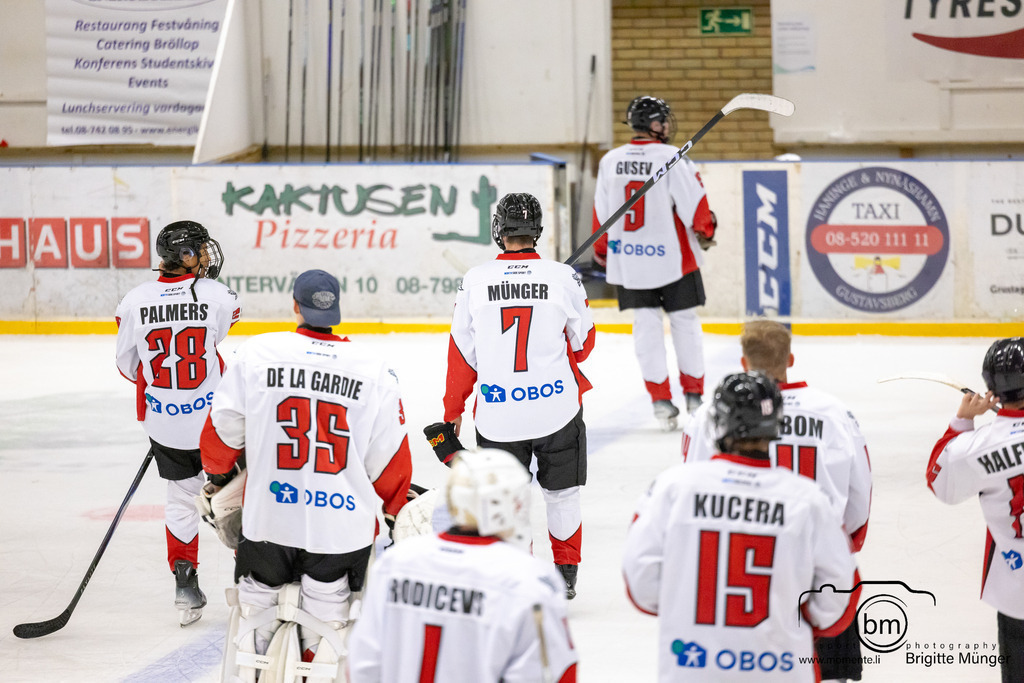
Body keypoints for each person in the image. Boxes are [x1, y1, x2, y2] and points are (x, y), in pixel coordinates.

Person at [200, 269, 413, 680]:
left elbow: (219, 439)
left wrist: (222, 477)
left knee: (257, 603)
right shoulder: (374, 370)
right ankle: (317, 656)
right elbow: (390, 465)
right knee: (328, 611)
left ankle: (253, 659)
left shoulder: (257, 354)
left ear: (294, 305)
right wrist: (393, 510)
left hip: (268, 521)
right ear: (336, 311)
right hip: (341, 530)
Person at [623, 372, 861, 682]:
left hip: (692, 670)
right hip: (780, 671)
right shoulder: (808, 500)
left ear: (720, 422)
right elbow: (839, 598)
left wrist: (682, 605)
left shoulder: (673, 488)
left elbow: (640, 579)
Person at [682, 319, 872, 681]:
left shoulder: (709, 413)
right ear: (791, 359)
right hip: (819, 565)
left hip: (739, 571)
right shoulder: (834, 414)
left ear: (743, 362)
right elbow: (860, 494)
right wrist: (843, 542)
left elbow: (693, 484)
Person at [437, 192, 596, 600]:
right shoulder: (563, 277)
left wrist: (452, 411)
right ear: (537, 231)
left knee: (509, 496)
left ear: (499, 231)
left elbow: (462, 357)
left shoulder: (475, 279)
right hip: (556, 409)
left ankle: (519, 576)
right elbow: (584, 344)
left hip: (498, 417)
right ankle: (565, 574)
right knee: (562, 495)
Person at [348, 449, 578, 683]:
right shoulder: (529, 581)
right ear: (515, 505)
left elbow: (362, 664)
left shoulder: (395, 564)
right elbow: (556, 674)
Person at [114, 219, 239, 626]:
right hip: (213, 423)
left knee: (181, 501)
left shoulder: (134, 300)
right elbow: (215, 340)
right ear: (184, 256)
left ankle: (185, 584)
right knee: (238, 493)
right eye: (199, 250)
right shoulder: (218, 296)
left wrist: (170, 401)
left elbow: (129, 366)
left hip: (164, 423)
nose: (206, 256)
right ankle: (254, 575)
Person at [591, 95, 718, 430]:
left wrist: (603, 250)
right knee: (685, 324)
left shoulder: (610, 160)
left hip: (630, 261)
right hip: (672, 260)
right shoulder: (673, 157)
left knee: (645, 327)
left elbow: (602, 214)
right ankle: (693, 396)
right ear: (654, 124)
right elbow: (695, 205)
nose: (667, 126)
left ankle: (661, 401)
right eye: (663, 120)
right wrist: (706, 228)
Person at [926, 337, 1024, 682]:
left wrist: (962, 423)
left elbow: (941, 483)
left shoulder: (976, 447)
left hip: (1017, 589)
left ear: (992, 391)